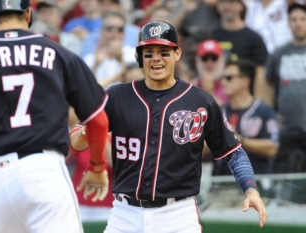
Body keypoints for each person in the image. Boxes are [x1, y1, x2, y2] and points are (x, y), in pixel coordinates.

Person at [70, 20, 267, 233]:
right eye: (149, 52)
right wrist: (85, 134)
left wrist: (250, 189)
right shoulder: (117, 96)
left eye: (164, 51)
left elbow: (233, 152)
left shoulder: (200, 101)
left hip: (178, 215)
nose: (156, 58)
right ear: (139, 57)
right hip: (124, 214)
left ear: (177, 54)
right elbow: (75, 141)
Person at [0, 0, 110, 232]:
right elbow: (98, 119)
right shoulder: (57, 52)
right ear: (28, 14)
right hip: (41, 171)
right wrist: (97, 167)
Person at [265, 3, 306, 203]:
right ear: (288, 23)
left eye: (302, 19)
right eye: (294, 19)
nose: (298, 24)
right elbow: (269, 84)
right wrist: (271, 114)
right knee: (286, 179)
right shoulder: (279, 53)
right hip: (287, 127)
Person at [213, 59, 279, 197]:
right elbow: (201, 150)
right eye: (222, 78)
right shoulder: (218, 112)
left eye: (229, 78)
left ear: (245, 81)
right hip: (223, 187)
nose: (223, 82)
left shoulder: (263, 111)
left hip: (257, 187)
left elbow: (272, 148)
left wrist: (237, 139)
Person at [212, 0, 269, 106]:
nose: (227, 6)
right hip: (216, 102)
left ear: (241, 6)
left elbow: (261, 73)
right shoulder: (211, 36)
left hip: (245, 102)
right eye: (223, 3)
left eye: (232, 2)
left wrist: (257, 103)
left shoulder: (253, 38)